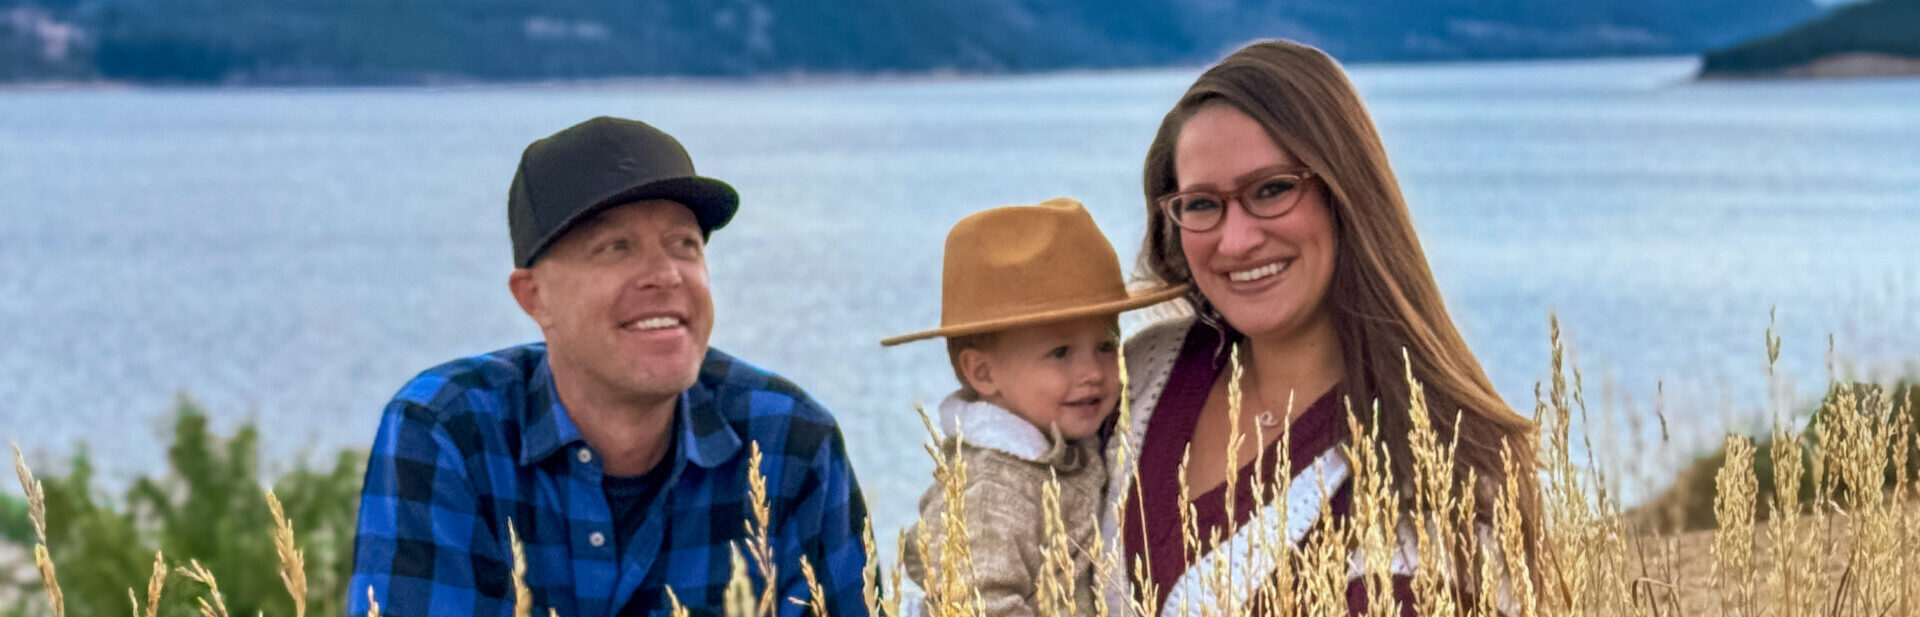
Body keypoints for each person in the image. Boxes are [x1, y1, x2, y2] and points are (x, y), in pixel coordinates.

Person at [345, 116, 871, 617]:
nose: (664, 275)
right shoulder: (448, 433)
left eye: (683, 245)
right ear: (534, 297)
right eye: (615, 248)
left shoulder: (791, 441)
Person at [1100, 40, 1541, 616]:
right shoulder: (1142, 373)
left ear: (1345, 192)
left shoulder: (1438, 479)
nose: (1235, 241)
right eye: (1203, 203)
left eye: (1272, 189)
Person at [880, 199, 1185, 617]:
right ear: (983, 373)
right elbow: (977, 605)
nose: (1092, 371)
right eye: (1060, 353)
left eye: (1106, 345)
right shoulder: (989, 487)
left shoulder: (1073, 445)